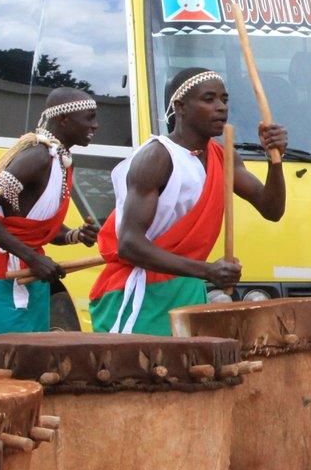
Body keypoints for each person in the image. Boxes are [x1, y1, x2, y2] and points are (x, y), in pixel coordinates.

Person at [89, 69, 287, 335]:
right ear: (180, 107)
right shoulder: (157, 157)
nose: (221, 108)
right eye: (209, 99)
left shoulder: (224, 155)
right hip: (141, 293)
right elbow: (129, 245)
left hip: (188, 289)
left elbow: (271, 210)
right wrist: (207, 270)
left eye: (224, 100)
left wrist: (275, 160)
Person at [0, 90, 102, 337]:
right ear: (64, 120)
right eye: (89, 118)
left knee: (31, 364)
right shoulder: (37, 157)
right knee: (1, 368)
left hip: (30, 274)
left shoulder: (59, 159)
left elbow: (34, 225)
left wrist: (75, 235)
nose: (95, 125)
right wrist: (31, 257)